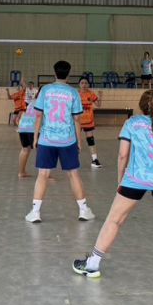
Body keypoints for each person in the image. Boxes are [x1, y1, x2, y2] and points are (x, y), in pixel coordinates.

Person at [73, 90, 153, 279]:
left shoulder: (131, 123)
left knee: (114, 219)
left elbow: (123, 154)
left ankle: (92, 264)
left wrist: (120, 179)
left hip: (135, 179)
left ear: (141, 105)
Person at [25, 60, 93, 224]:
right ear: (68, 75)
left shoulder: (46, 90)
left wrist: (35, 137)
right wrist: (78, 140)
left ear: (54, 73)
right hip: (67, 140)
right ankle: (84, 210)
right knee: (73, 174)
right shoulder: (73, 92)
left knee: (43, 174)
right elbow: (77, 119)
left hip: (47, 139)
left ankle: (35, 212)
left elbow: (39, 115)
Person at [78, 77, 102, 168]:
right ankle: (72, 159)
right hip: (78, 121)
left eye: (85, 83)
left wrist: (100, 96)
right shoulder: (76, 94)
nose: (84, 85)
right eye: (82, 83)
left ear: (88, 84)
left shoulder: (91, 94)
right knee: (75, 140)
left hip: (88, 121)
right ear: (79, 84)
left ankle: (94, 160)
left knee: (90, 140)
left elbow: (98, 105)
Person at [17, 99, 39, 179]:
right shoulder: (44, 101)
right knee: (41, 151)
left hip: (23, 127)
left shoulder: (32, 102)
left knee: (25, 149)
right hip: (33, 128)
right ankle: (45, 175)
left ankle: (21, 172)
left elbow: (24, 113)